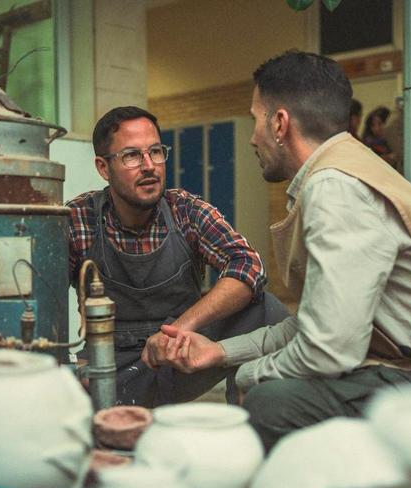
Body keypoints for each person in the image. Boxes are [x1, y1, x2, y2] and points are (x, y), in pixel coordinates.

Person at [157, 51, 411, 452]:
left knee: (272, 403)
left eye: (256, 119)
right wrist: (221, 352)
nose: (253, 137)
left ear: (279, 124)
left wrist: (247, 376)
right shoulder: (349, 169)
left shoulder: (336, 189)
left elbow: (328, 350)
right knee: (266, 386)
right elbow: (315, 324)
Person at [67, 106, 288, 408]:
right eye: (132, 156)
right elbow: (40, 298)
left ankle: (247, 419)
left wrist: (180, 329)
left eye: (156, 152)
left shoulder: (185, 211)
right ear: (103, 168)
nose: (149, 166)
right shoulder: (78, 219)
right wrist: (69, 364)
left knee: (266, 309)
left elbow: (249, 266)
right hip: (113, 364)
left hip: (180, 355)